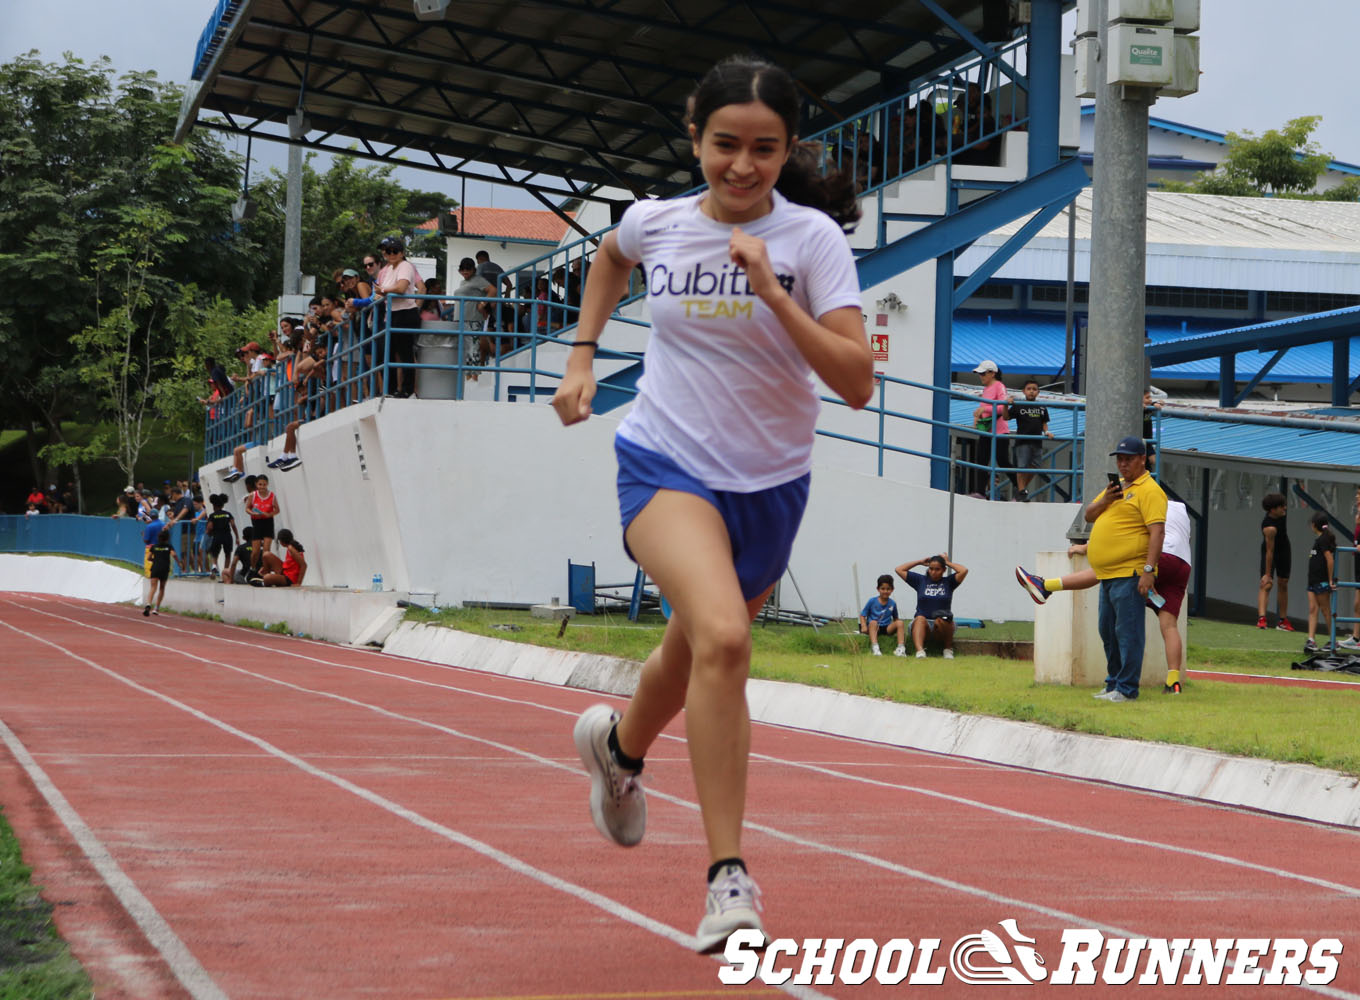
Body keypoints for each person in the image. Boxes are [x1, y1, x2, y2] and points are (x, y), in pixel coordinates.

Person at [550, 54, 870, 954]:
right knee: (726, 640)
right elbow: (610, 263)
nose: (742, 165)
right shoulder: (655, 224)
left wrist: (772, 290)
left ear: (787, 150)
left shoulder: (811, 242)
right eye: (724, 144)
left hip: (771, 486)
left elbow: (855, 383)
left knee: (690, 655)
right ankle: (729, 878)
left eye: (763, 149)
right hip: (664, 467)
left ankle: (617, 751)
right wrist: (582, 355)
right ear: (694, 138)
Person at [1016, 498, 1192, 694]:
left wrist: (1084, 547)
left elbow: (1120, 536)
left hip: (1160, 554)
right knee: (1169, 625)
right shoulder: (1181, 510)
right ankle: (1173, 682)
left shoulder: (1146, 502)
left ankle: (1046, 586)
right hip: (1182, 563)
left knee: (1108, 570)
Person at [1084, 436, 1167, 703]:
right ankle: (1114, 683)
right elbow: (1088, 515)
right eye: (1119, 459)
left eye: (1128, 459)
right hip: (1108, 575)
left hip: (1130, 573)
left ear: (1143, 459)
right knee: (1107, 630)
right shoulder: (1117, 487)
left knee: (1128, 632)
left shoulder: (1150, 490)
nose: (1123, 464)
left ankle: (1127, 688)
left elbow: (1157, 532)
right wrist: (1106, 499)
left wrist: (1148, 569)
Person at [374, 236, 422, 397]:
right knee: (385, 354)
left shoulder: (405, 266)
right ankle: (391, 389)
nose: (391, 254)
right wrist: (380, 293)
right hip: (392, 314)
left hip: (405, 313)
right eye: (388, 251)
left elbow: (401, 288)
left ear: (401, 253)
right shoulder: (388, 270)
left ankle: (407, 390)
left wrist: (383, 291)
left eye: (395, 251)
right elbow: (383, 291)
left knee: (405, 353)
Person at [894, 554, 968, 659]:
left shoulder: (949, 582)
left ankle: (947, 650)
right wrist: (919, 562)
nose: (933, 572)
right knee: (920, 618)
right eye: (931, 569)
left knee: (943, 619)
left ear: (944, 570)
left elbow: (963, 570)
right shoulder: (920, 580)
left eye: (937, 569)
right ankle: (920, 651)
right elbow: (899, 569)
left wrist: (946, 562)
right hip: (922, 625)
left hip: (942, 626)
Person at [970, 360, 1012, 499]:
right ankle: (980, 491)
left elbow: (1002, 406)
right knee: (981, 460)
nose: (981, 376)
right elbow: (990, 410)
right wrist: (979, 415)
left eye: (983, 373)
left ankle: (1020, 489)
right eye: (980, 374)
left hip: (999, 431)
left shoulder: (999, 386)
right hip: (987, 430)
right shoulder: (986, 389)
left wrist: (984, 409)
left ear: (992, 373)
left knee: (1003, 460)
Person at [1010, 379, 1052, 502]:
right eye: (1029, 389)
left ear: (1038, 392)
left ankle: (1020, 489)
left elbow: (1044, 422)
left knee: (1035, 466)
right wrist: (1007, 405)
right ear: (1024, 391)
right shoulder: (1019, 405)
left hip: (1037, 441)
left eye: (1034, 389)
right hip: (1022, 441)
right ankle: (1022, 492)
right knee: (1022, 467)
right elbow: (1006, 417)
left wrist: (1046, 431)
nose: (1031, 392)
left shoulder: (1042, 407)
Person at [1257, 492, 1293, 631]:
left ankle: (1282, 621)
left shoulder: (1281, 515)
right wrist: (1267, 573)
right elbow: (1270, 551)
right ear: (1272, 510)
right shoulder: (1269, 527)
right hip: (1270, 552)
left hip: (1284, 549)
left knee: (1283, 583)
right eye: (1281, 506)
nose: (1285, 508)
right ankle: (1262, 619)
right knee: (1267, 584)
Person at [1304, 512, 1337, 655]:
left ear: (1314, 525)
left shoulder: (1323, 540)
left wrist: (1330, 580)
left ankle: (1333, 639)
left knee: (1325, 610)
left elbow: (1329, 559)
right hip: (1312, 580)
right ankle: (1311, 639)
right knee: (1312, 608)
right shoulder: (1318, 540)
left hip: (1321, 580)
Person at [858, 574, 906, 656]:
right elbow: (863, 615)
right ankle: (875, 648)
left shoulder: (892, 603)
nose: (885, 591)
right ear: (878, 589)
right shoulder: (872, 601)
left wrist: (899, 629)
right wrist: (863, 626)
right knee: (873, 623)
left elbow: (896, 618)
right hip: (875, 627)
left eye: (888, 589)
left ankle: (900, 649)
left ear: (892, 589)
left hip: (887, 627)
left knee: (900, 623)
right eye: (883, 589)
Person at [142, 528, 183, 617]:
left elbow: (149, 558)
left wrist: (155, 559)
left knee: (153, 587)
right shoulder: (169, 546)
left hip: (155, 568)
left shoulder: (154, 546)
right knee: (162, 588)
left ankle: (148, 604)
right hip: (164, 568)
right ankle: (156, 608)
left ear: (158, 538)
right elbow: (174, 554)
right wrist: (179, 563)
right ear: (167, 538)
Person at [246, 474, 281, 571]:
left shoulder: (272, 496)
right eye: (260, 484)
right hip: (257, 523)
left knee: (266, 550)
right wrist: (253, 513)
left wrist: (270, 514)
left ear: (267, 484)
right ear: (256, 484)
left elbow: (277, 510)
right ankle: (252, 568)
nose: (262, 487)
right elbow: (247, 508)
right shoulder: (252, 495)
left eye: (264, 484)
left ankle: (265, 569)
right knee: (255, 551)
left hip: (268, 522)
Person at [205, 494, 239, 581]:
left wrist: (208, 533)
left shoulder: (212, 515)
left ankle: (214, 567)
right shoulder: (228, 514)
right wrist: (237, 537)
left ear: (213, 505)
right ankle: (225, 572)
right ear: (223, 505)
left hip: (217, 536)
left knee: (214, 554)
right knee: (228, 554)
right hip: (227, 536)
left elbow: (210, 527)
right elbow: (233, 525)